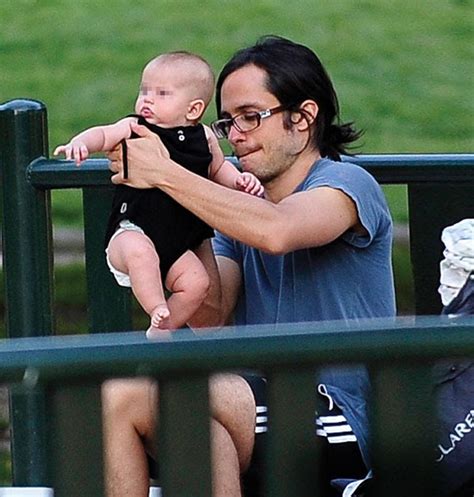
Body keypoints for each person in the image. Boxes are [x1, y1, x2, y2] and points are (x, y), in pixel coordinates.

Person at [102, 35, 396, 497]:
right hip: (250, 405)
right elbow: (210, 316)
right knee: (129, 397)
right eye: (228, 122)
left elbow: (276, 232)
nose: (236, 135)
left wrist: (165, 172)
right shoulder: (238, 208)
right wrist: (154, 224)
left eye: (251, 117)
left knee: (176, 398)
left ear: (302, 118)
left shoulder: (344, 185)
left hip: (338, 417)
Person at [54, 51, 263, 336]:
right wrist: (81, 143)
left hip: (176, 243)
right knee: (141, 255)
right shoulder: (134, 127)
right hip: (133, 230)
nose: (147, 99)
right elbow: (103, 135)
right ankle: (156, 308)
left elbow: (218, 170)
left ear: (193, 109)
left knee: (197, 283)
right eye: (144, 91)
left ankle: (163, 326)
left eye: (162, 93)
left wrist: (240, 181)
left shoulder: (205, 138)